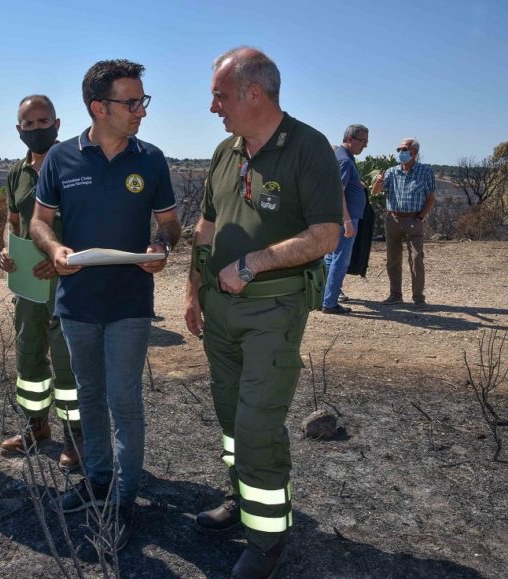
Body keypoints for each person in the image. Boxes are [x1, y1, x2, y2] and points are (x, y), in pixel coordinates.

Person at [184, 47, 342, 578]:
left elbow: (326, 234)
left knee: (256, 425)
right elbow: (205, 226)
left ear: (255, 94)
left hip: (272, 309)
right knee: (231, 421)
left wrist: (254, 262)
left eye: (220, 96)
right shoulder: (226, 152)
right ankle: (242, 499)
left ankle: (267, 538)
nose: (213, 107)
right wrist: (191, 289)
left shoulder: (308, 147)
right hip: (218, 309)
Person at [30, 59, 181, 551]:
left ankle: (124, 497)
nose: (141, 110)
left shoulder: (151, 159)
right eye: (131, 102)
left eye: (143, 101)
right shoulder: (60, 159)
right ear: (99, 107)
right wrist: (54, 250)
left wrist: (161, 248)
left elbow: (170, 226)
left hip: (130, 302)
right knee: (89, 398)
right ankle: (96, 481)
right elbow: (39, 222)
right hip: (76, 303)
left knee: (124, 400)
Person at [0, 95, 83, 469]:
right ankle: (36, 426)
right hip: (27, 286)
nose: (36, 129)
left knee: (67, 362)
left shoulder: (75, 166)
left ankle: (75, 437)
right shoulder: (17, 172)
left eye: (43, 121)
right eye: (28, 125)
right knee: (29, 355)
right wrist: (6, 249)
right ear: (19, 130)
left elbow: (88, 224)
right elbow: (12, 220)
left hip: (66, 281)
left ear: (58, 124)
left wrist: (59, 256)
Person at [371, 138, 436, 308]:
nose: (400, 152)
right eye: (398, 149)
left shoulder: (425, 171)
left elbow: (431, 198)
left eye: (404, 149)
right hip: (393, 218)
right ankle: (395, 295)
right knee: (393, 259)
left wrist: (420, 217)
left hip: (414, 219)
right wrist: (378, 181)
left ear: (414, 152)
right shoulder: (391, 172)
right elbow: (375, 192)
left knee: (416, 258)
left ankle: (418, 297)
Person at [321, 124, 369, 314]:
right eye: (362, 141)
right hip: (345, 219)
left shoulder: (343, 157)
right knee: (340, 260)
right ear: (350, 139)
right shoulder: (344, 160)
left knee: (331, 258)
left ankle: (324, 297)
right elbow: (337, 191)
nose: (365, 146)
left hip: (340, 218)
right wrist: (347, 220)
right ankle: (330, 302)